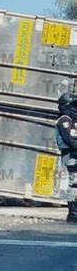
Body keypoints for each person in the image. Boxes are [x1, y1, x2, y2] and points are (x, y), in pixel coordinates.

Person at [55, 92, 77, 223]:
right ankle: (73, 213)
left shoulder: (73, 121)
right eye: (73, 105)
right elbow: (70, 140)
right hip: (71, 155)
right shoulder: (64, 120)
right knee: (75, 183)